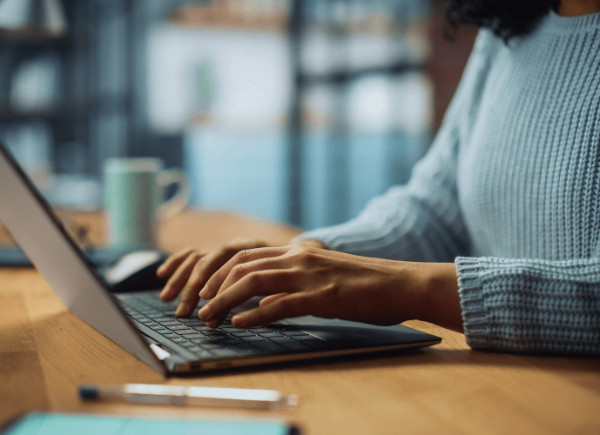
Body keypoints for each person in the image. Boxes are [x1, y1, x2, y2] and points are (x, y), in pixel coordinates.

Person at [157, 0, 600, 356]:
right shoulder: (510, 24)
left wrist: (412, 288)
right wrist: (311, 255)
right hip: (492, 381)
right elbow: (434, 209)